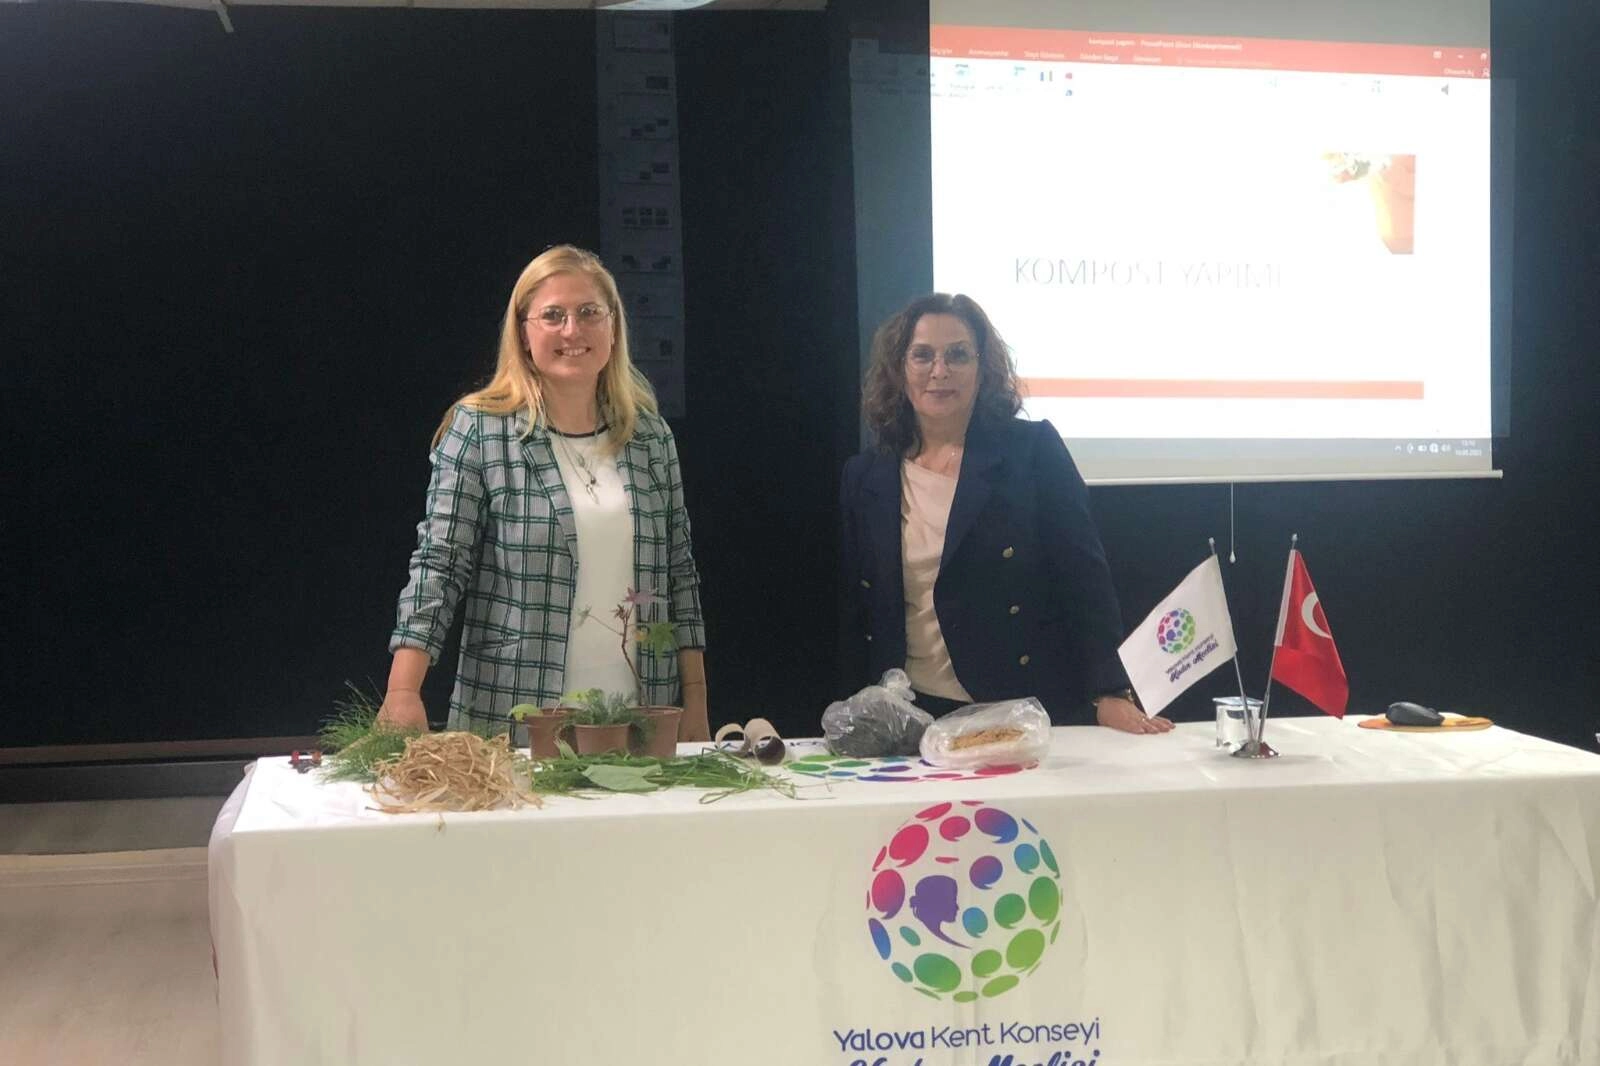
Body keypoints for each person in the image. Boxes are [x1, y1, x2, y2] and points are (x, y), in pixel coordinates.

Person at [378, 245, 709, 740]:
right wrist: (403, 690)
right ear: (523, 332)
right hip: (515, 718)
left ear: (613, 327)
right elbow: (440, 565)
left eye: (589, 312)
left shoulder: (651, 437)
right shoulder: (480, 429)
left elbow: (679, 573)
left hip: (640, 720)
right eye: (553, 315)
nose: (572, 330)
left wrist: (696, 701)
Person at [839, 292, 1169, 735]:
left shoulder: (1032, 451)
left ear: (983, 369)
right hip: (911, 715)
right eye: (923, 355)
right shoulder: (865, 475)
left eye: (958, 355)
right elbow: (859, 608)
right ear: (900, 368)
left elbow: (1085, 578)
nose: (940, 371)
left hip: (1021, 709)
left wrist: (1109, 690)